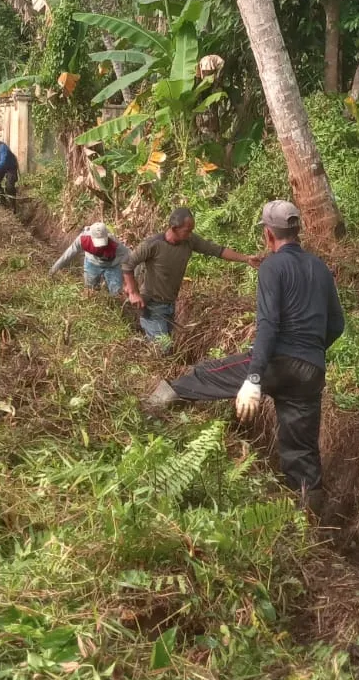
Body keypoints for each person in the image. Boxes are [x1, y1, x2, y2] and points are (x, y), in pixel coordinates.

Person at [143, 200, 345, 510]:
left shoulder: (272, 266)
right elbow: (337, 324)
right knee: (302, 452)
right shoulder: (319, 267)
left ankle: (149, 409)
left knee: (209, 374)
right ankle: (312, 522)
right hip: (311, 370)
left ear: (268, 235)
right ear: (297, 231)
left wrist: (253, 377)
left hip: (276, 362)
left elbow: (268, 325)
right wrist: (309, 353)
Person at [123, 206, 260, 343]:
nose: (189, 235)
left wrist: (246, 258)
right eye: (187, 231)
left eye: (191, 231)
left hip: (170, 304)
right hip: (152, 306)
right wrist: (133, 292)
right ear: (174, 228)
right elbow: (127, 265)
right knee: (162, 348)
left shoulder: (189, 241)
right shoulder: (153, 245)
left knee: (166, 346)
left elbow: (217, 250)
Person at [50, 220, 133, 295]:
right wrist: (54, 269)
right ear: (91, 237)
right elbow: (68, 254)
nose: (100, 246)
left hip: (112, 266)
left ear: (106, 236)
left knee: (116, 292)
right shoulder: (83, 239)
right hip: (92, 262)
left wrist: (130, 283)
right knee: (90, 291)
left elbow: (131, 257)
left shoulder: (115, 244)